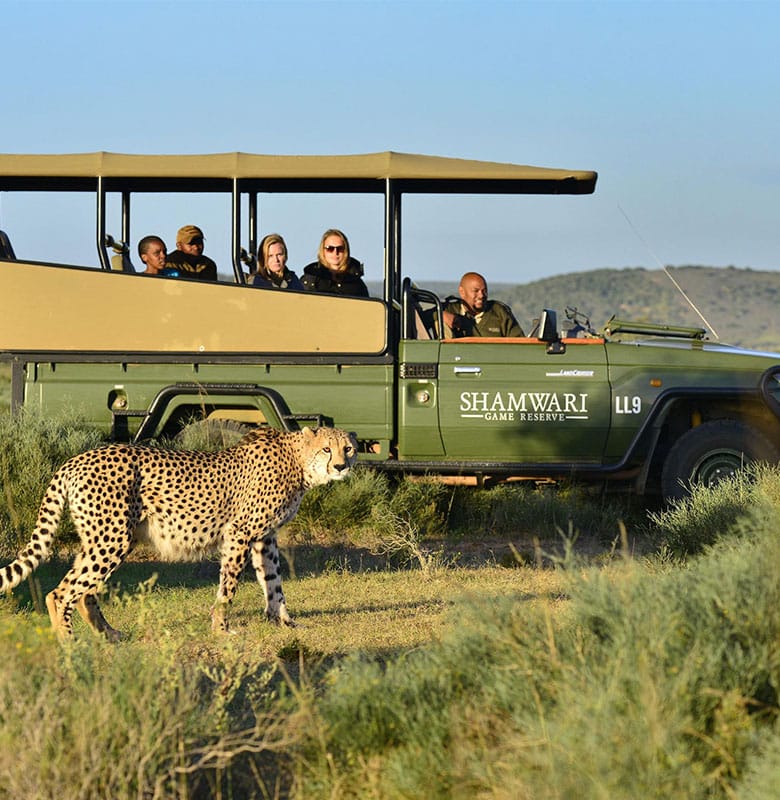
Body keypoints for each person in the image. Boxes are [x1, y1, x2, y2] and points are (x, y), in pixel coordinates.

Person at [443, 271, 525, 337]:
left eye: (484, 291)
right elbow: (430, 315)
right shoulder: (449, 309)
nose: (481, 295)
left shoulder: (499, 312)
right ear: (462, 292)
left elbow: (519, 343)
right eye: (476, 291)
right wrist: (442, 315)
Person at [301, 228, 369, 297]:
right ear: (323, 251)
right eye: (330, 248)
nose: (335, 252)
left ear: (346, 251)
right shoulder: (311, 279)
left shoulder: (357, 283)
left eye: (340, 248)